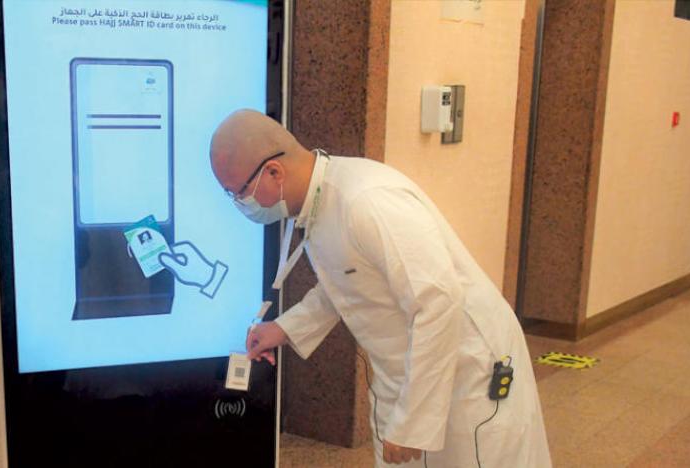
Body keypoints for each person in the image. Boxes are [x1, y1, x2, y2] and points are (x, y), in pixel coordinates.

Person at [210, 109, 552, 467]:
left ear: (274, 172)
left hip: (468, 369)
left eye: (238, 193)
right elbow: (345, 282)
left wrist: (413, 424)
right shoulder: (320, 202)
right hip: (407, 369)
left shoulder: (368, 200)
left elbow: (438, 301)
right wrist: (284, 328)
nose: (239, 204)